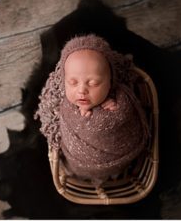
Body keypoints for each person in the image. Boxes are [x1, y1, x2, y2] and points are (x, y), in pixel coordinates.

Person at [36, 34, 149, 183]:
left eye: (94, 83)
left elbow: (130, 124)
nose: (81, 90)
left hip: (123, 158)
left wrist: (117, 112)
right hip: (79, 164)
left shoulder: (121, 98)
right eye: (73, 82)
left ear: (110, 82)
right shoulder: (63, 107)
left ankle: (120, 173)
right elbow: (62, 133)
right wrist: (80, 122)